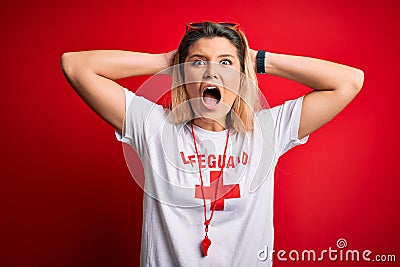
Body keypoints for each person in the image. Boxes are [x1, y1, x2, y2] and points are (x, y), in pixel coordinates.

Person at [60, 21, 364, 267]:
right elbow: (75, 65)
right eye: (198, 62)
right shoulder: (153, 127)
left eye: (226, 63)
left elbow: (349, 81)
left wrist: (257, 59)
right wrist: (167, 61)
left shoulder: (266, 132)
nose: (212, 72)